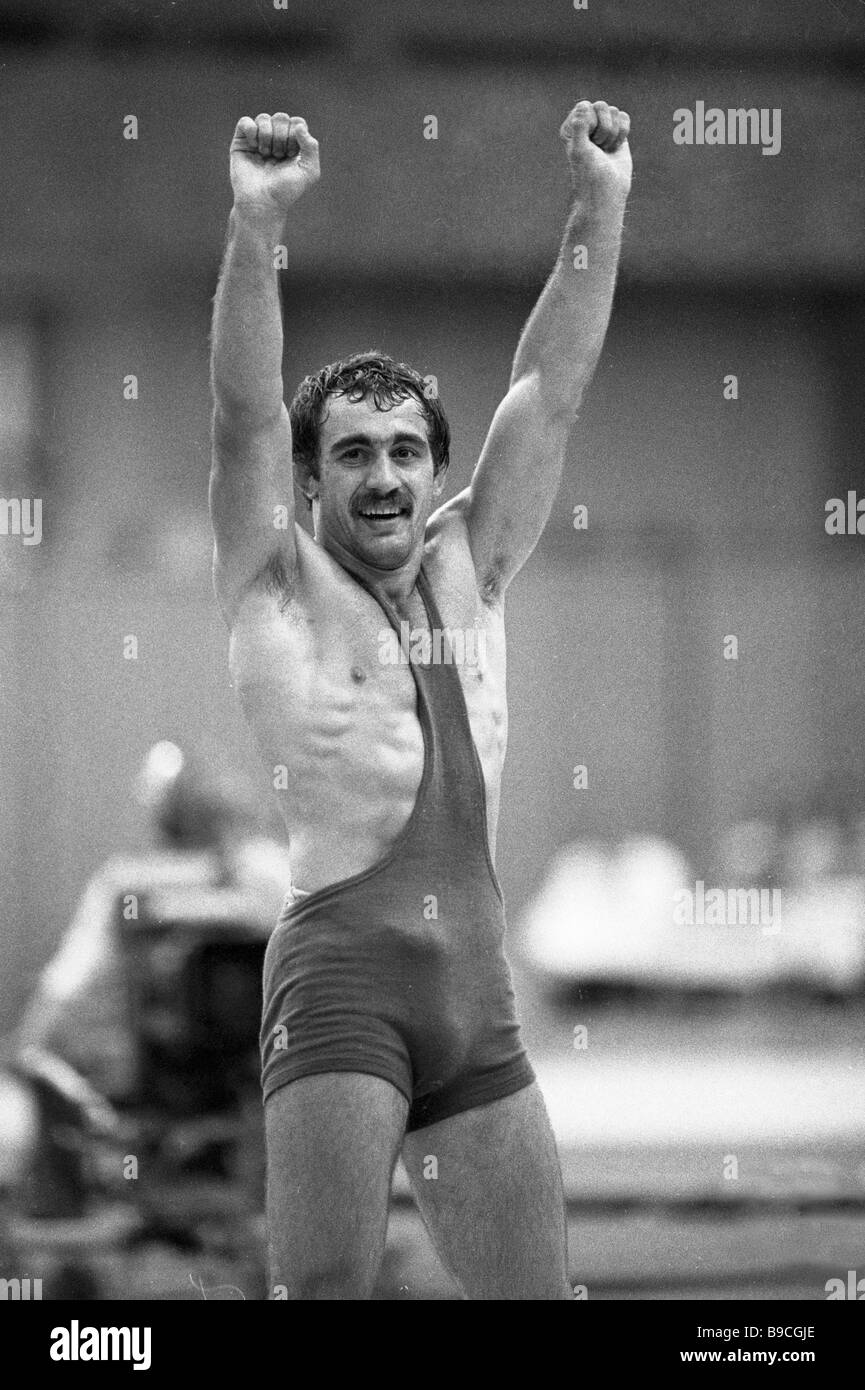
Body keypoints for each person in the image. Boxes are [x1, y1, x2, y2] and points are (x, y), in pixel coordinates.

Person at [209, 100, 632, 1299]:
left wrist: (600, 202)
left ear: (436, 469)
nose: (384, 474)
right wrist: (256, 227)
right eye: (352, 452)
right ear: (308, 481)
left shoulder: (469, 562)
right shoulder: (274, 589)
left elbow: (548, 386)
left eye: (406, 449)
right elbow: (241, 414)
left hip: (475, 994)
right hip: (343, 982)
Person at [16, 741, 292, 1101]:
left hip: (245, 1074)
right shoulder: (133, 890)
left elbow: (66, 987)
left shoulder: (127, 887)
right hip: (178, 1079)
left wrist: (28, 1045)